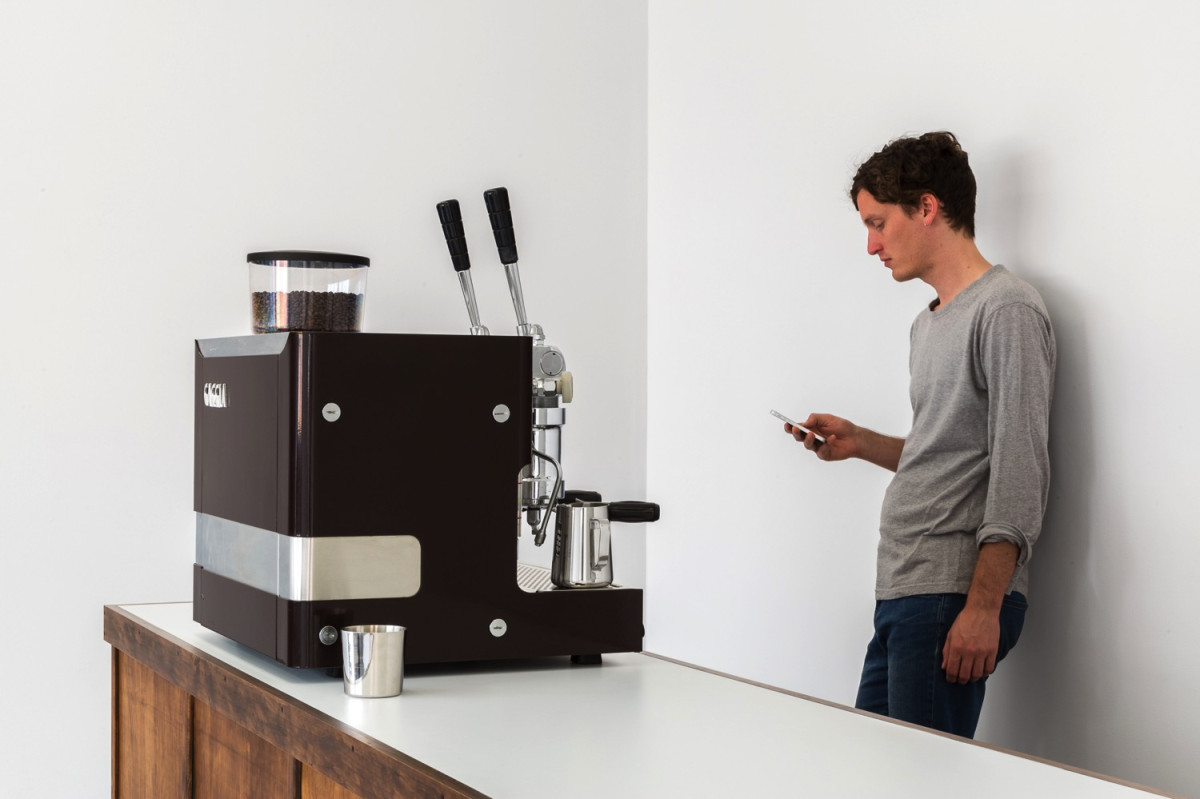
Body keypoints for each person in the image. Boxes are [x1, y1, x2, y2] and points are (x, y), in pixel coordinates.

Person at [784, 131, 1056, 739]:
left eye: (878, 223)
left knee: (920, 779)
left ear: (927, 208)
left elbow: (1020, 468)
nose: (871, 245)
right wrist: (860, 442)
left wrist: (983, 607)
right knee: (876, 773)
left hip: (949, 594)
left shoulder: (1006, 309)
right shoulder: (926, 324)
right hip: (904, 590)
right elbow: (951, 452)